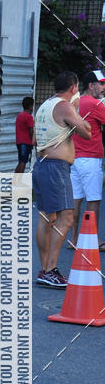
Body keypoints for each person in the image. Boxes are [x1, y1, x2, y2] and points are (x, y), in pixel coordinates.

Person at [32, 71, 91, 288]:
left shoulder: (44, 106)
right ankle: (50, 269)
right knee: (66, 217)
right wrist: (76, 109)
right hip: (56, 168)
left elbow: (34, 138)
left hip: (41, 165)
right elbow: (87, 132)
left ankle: (45, 269)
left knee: (47, 218)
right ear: (74, 88)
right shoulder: (66, 107)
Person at [67, 69, 105, 251]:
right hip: (91, 158)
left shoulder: (73, 102)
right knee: (94, 199)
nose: (104, 87)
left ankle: (73, 239)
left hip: (74, 157)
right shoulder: (95, 104)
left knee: (76, 199)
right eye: (102, 84)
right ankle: (92, 240)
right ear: (92, 85)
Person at [14, 96, 34, 174]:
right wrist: (34, 141)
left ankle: (15, 180)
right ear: (30, 106)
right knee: (23, 162)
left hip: (19, 142)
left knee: (20, 161)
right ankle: (19, 181)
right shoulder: (29, 117)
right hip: (25, 142)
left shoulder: (19, 116)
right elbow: (31, 131)